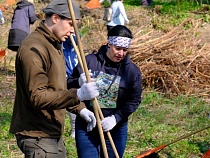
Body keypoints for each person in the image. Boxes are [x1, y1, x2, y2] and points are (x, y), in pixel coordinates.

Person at [9, 0, 99, 157]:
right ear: (55, 18)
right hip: (36, 134)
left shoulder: (54, 44)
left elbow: (56, 88)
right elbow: (38, 97)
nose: (73, 31)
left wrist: (80, 108)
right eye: (70, 24)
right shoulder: (34, 48)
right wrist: (77, 94)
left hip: (51, 131)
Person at [67, 25, 142, 158]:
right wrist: (78, 81)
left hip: (116, 128)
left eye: (125, 50)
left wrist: (115, 118)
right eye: (117, 48)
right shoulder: (89, 62)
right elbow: (68, 85)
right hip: (87, 125)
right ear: (109, 44)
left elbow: (134, 100)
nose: (121, 53)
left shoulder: (131, 71)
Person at [63, 34, 79, 138]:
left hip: (70, 72)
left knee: (72, 101)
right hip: (56, 73)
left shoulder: (69, 36)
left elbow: (76, 39)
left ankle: (74, 128)